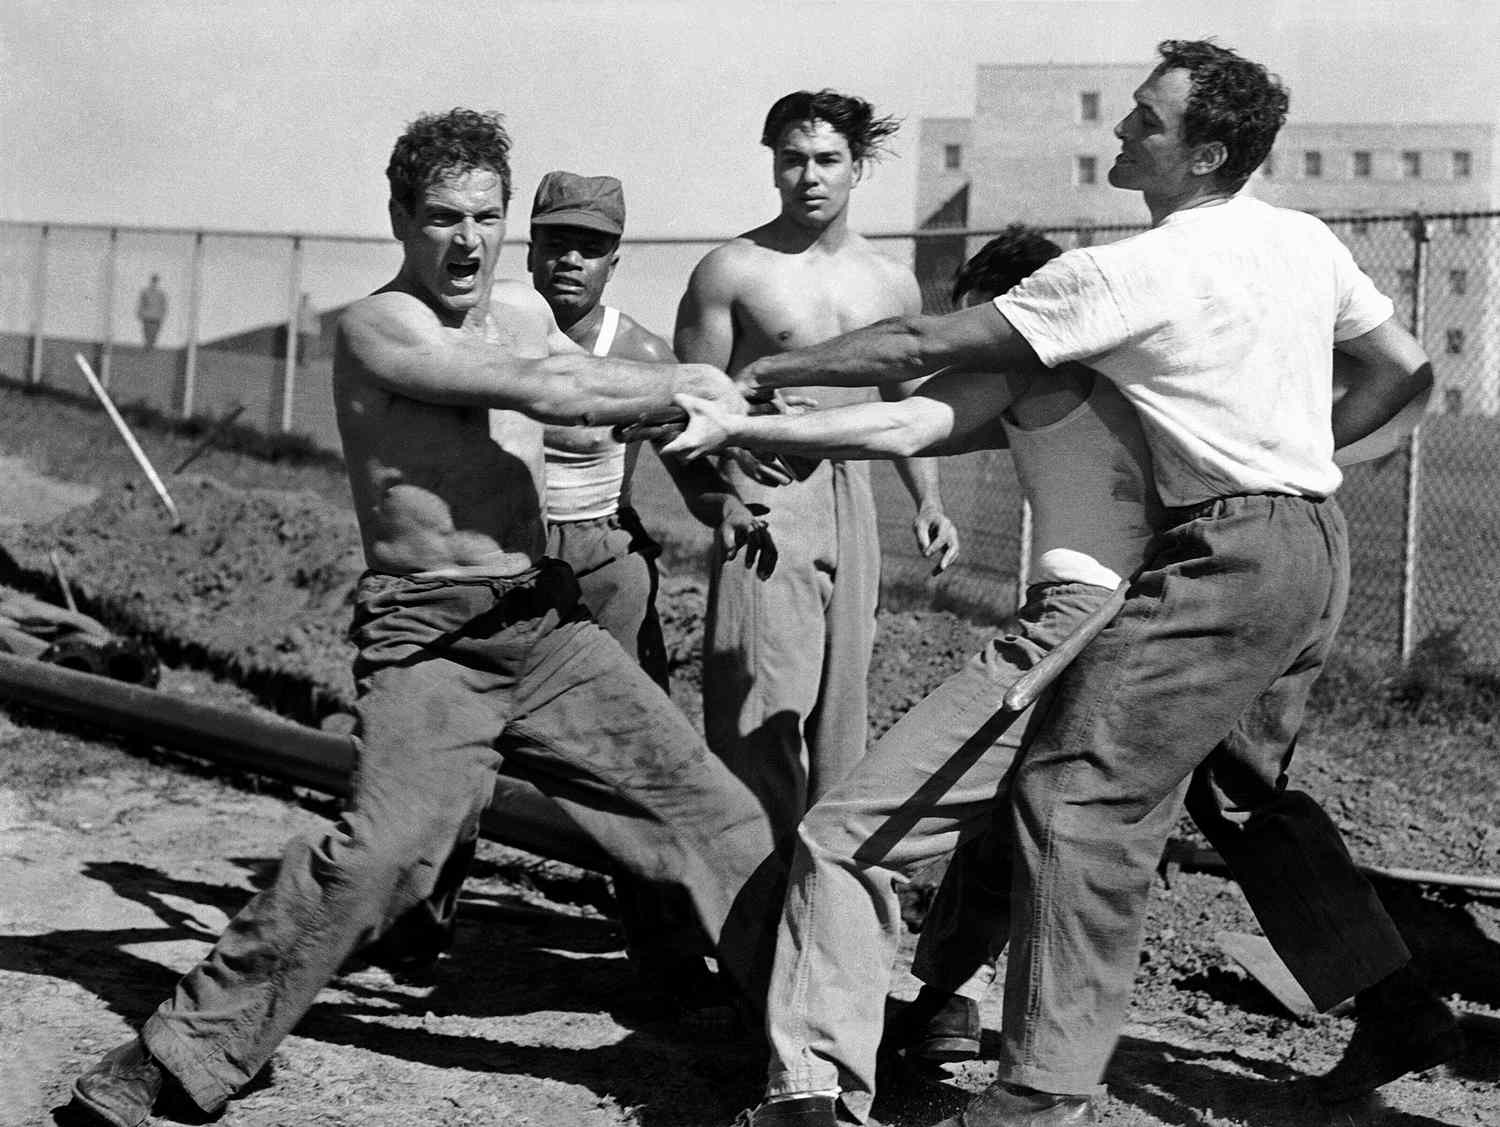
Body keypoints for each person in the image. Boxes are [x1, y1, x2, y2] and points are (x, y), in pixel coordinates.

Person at [712, 40, 1451, 1127]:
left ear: (1204, 153)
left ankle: (1035, 1092)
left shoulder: (1125, 275)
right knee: (1225, 794)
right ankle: (1387, 1000)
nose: (1118, 133)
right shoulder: (1301, 239)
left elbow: (920, 346)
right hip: (1310, 549)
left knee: (1075, 792)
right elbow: (1405, 372)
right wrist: (1304, 461)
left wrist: (761, 376)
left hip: (1216, 557)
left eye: (1141, 122)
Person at [68, 108, 783, 1127]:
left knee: (721, 817)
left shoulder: (529, 315)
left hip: (546, 623)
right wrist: (691, 382)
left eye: (488, 216)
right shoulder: (377, 327)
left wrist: (728, 433)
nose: (469, 240)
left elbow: (600, 398)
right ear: (400, 217)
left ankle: (807, 1046)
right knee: (378, 856)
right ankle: (181, 1053)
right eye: (443, 216)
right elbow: (547, 387)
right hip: (432, 637)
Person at [674, 88, 958, 854]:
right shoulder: (732, 269)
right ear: (772, 166)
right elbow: (687, 404)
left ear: (857, 167)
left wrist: (928, 499)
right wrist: (731, 473)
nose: (810, 177)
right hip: (769, 491)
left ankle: (817, 909)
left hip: (853, 490)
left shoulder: (891, 281)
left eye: (828, 160)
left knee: (842, 717)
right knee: (764, 706)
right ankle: (749, 912)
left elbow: (907, 397)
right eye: (792, 160)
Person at [528, 168, 777, 1010]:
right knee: (462, 736)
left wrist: (728, 510)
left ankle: (667, 956)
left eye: (590, 248)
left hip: (600, 561)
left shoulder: (636, 355)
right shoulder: (490, 334)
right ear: (528, 247)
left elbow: (690, 466)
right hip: (501, 560)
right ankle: (414, 924)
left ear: (614, 260)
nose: (570, 261)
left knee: (643, 755)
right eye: (556, 241)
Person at [136, 275, 167, 349]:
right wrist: (140, 312)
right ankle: (148, 345)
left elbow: (163, 305)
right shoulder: (145, 292)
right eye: (153, 281)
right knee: (147, 331)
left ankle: (150, 345)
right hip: (147, 315)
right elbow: (141, 303)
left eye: (155, 281)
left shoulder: (161, 294)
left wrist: (163, 314)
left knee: (154, 333)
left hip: (157, 316)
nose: (154, 283)